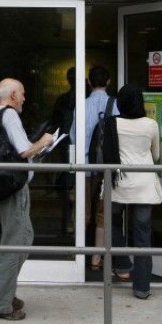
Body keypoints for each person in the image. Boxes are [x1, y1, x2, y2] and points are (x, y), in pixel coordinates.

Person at [0, 78, 54, 321]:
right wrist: (44, 142)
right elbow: (24, 151)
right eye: (22, 93)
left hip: (3, 189)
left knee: (23, 237)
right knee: (15, 243)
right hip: (13, 190)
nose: (24, 98)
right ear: (13, 95)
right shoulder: (10, 115)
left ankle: (6, 291)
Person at [109, 83, 162, 299]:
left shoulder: (112, 123)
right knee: (142, 234)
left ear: (120, 102)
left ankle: (122, 264)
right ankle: (142, 287)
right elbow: (156, 155)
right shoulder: (150, 124)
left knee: (113, 224)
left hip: (119, 183)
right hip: (143, 185)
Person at [69, 66, 119, 271]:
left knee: (82, 211)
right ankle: (96, 259)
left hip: (84, 166)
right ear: (108, 82)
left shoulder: (80, 106)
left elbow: (73, 136)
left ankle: (78, 255)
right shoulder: (114, 105)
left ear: (89, 82)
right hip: (105, 168)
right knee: (102, 213)